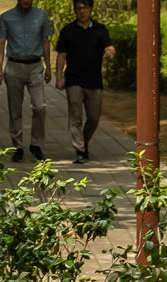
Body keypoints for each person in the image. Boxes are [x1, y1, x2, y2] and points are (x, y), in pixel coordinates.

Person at [55, 0, 115, 163]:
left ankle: (83, 141)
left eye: (85, 8)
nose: (81, 11)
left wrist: (110, 51)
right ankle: (80, 150)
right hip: (73, 80)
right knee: (75, 116)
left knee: (94, 117)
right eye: (78, 8)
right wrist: (59, 77)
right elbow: (61, 55)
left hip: (94, 81)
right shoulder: (68, 31)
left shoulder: (100, 30)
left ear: (91, 9)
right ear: (75, 10)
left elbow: (109, 46)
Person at [0, 0, 55, 160]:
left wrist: (48, 67)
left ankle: (36, 144)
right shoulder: (6, 17)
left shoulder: (41, 15)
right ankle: (18, 146)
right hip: (14, 66)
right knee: (15, 109)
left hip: (35, 66)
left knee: (40, 106)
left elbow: (45, 41)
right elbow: (1, 42)